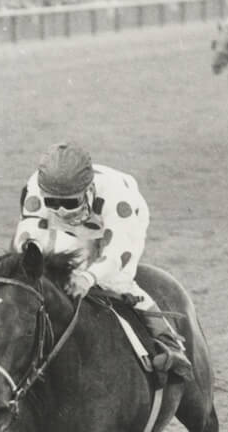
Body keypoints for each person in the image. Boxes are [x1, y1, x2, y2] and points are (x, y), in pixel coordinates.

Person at [12, 143, 193, 381]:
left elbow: (118, 252)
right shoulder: (35, 188)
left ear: (88, 191)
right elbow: (29, 234)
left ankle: (169, 343)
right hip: (75, 230)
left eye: (69, 203)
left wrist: (88, 277)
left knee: (118, 282)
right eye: (53, 203)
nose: (62, 210)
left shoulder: (119, 197)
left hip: (119, 223)